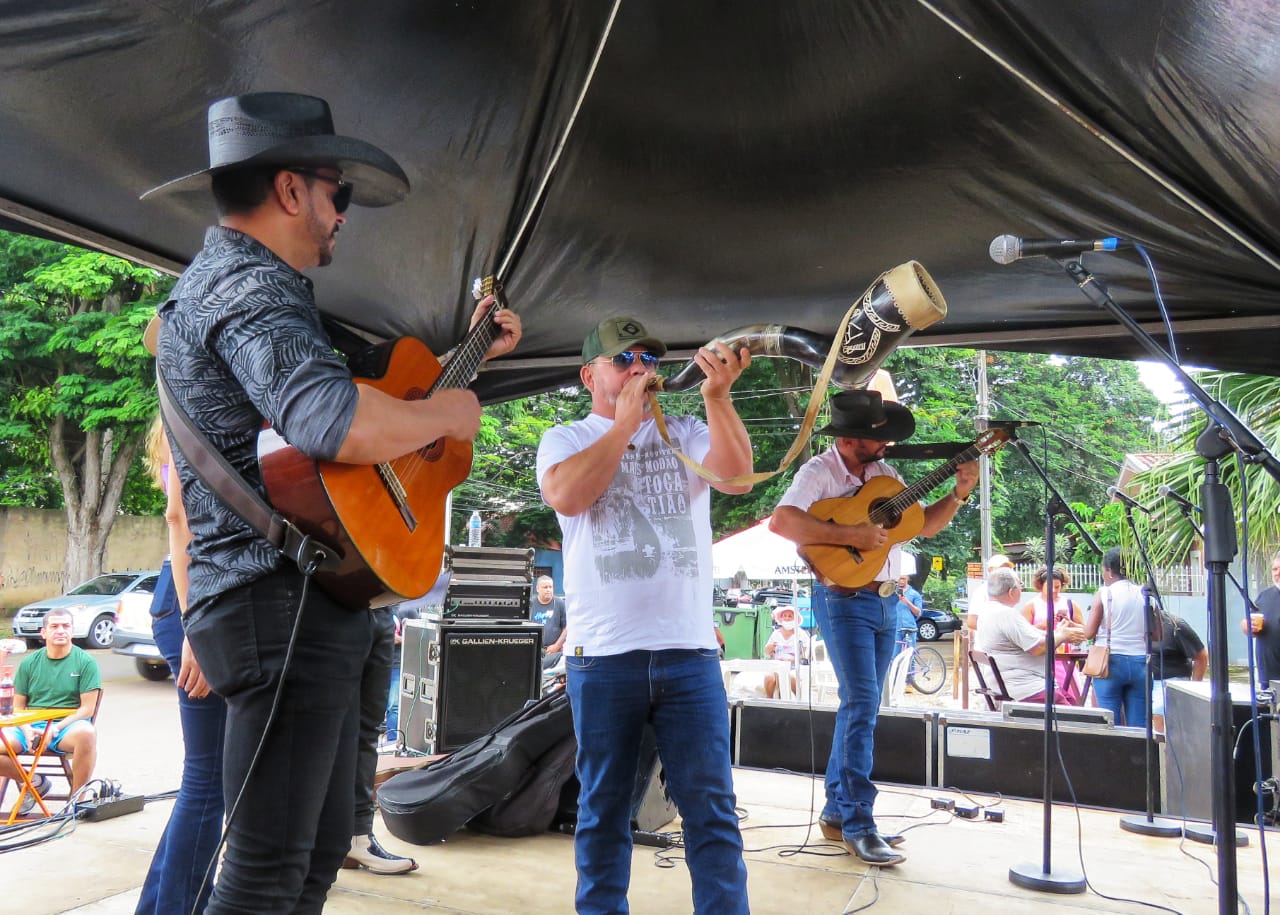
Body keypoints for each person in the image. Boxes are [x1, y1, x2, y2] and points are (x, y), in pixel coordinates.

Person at [143, 92, 520, 912]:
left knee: (311, 858)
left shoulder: (240, 288)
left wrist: (465, 362)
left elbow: (340, 411)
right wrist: (450, 412)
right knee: (266, 871)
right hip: (275, 604)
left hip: (298, 598)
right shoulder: (248, 284)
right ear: (289, 192)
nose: (343, 213)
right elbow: (329, 418)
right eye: (335, 192)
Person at [536, 315, 753, 913]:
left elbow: (736, 479)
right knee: (604, 807)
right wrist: (625, 424)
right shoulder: (566, 439)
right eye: (625, 360)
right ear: (589, 375)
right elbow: (568, 496)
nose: (642, 371)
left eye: (650, 361)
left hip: (689, 653)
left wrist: (718, 396)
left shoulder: (685, 430)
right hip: (603, 659)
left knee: (711, 807)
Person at [770, 388, 978, 867]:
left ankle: (838, 814)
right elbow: (782, 522)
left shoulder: (886, 475)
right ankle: (860, 823)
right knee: (861, 703)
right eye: (873, 438)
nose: (884, 445)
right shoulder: (818, 472)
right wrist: (852, 536)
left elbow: (921, 526)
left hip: (886, 602)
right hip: (842, 598)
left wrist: (959, 493)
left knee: (863, 704)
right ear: (848, 439)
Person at [135, 415, 226, 915]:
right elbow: (181, 521)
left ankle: (159, 905)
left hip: (190, 596)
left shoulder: (187, 413)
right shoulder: (190, 420)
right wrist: (199, 626)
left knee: (209, 779)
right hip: (196, 597)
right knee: (209, 779)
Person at [0, 608, 101, 811]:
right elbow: (18, 706)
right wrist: (28, 730)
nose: (61, 631)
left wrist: (53, 729)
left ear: (72, 631)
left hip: (66, 726)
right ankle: (33, 782)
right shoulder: (29, 662)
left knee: (88, 733)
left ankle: (77, 799)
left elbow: (87, 709)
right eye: (54, 626)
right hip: (30, 725)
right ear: (43, 632)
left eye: (66, 626)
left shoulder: (86, 662)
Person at [974, 568, 1086, 703]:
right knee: (1074, 719)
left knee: (1072, 702)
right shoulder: (1007, 615)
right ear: (1011, 592)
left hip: (1011, 683)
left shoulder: (988, 611)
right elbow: (1038, 648)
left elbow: (1030, 634)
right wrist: (1062, 636)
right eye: (1020, 585)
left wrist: (1059, 633)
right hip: (1026, 688)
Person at [1084, 548, 1150, 726]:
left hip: (1109, 663)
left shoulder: (1104, 593)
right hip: (1140, 662)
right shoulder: (1145, 593)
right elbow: (1157, 633)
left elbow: (1089, 632)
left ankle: (1113, 753)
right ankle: (1138, 754)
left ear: (1109, 571)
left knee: (1108, 721)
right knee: (1139, 725)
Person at [1020, 566, 1085, 702]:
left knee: (1072, 695)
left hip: (1066, 658)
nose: (1054, 591)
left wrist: (1071, 625)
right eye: (1050, 587)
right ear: (1040, 585)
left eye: (1058, 587)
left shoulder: (1070, 604)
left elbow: (1085, 630)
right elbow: (1022, 633)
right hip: (1041, 657)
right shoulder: (1031, 605)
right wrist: (1044, 625)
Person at [1149, 611, 1207, 734]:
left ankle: (1162, 748)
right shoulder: (1129, 624)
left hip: (1169, 680)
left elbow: (1201, 657)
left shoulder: (1175, 625)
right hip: (1141, 679)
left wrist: (1193, 689)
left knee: (1157, 713)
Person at [1241, 549, 1280, 686]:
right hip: (1267, 679)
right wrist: (1246, 626)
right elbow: (1249, 623)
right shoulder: (1264, 596)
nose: (1277, 573)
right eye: (1274, 569)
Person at [763, 605, 811, 699]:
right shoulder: (776, 633)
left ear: (795, 619)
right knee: (769, 678)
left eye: (790, 616)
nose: (787, 618)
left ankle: (799, 701)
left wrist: (794, 660)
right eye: (785, 616)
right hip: (777, 666)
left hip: (794, 667)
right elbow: (767, 652)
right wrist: (770, 648)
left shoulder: (801, 634)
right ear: (781, 618)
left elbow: (806, 654)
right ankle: (770, 702)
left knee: (789, 677)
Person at [965, 553, 1014, 631]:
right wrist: (995, 631)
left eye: (1007, 569)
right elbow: (971, 622)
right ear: (990, 570)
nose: (1005, 572)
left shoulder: (1009, 591)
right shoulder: (982, 591)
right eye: (1001, 568)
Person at [530, 575, 567, 669]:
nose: (548, 590)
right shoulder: (530, 603)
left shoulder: (559, 603)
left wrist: (557, 646)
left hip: (554, 653)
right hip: (533, 651)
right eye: (545, 587)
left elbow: (566, 628)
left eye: (550, 587)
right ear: (537, 589)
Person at [893, 575, 924, 657]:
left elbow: (918, 612)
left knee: (910, 657)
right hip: (895, 627)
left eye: (903, 578)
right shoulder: (892, 593)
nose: (901, 581)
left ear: (908, 579)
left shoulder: (914, 594)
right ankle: (895, 670)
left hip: (909, 627)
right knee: (893, 656)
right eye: (899, 578)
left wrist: (907, 601)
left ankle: (911, 669)